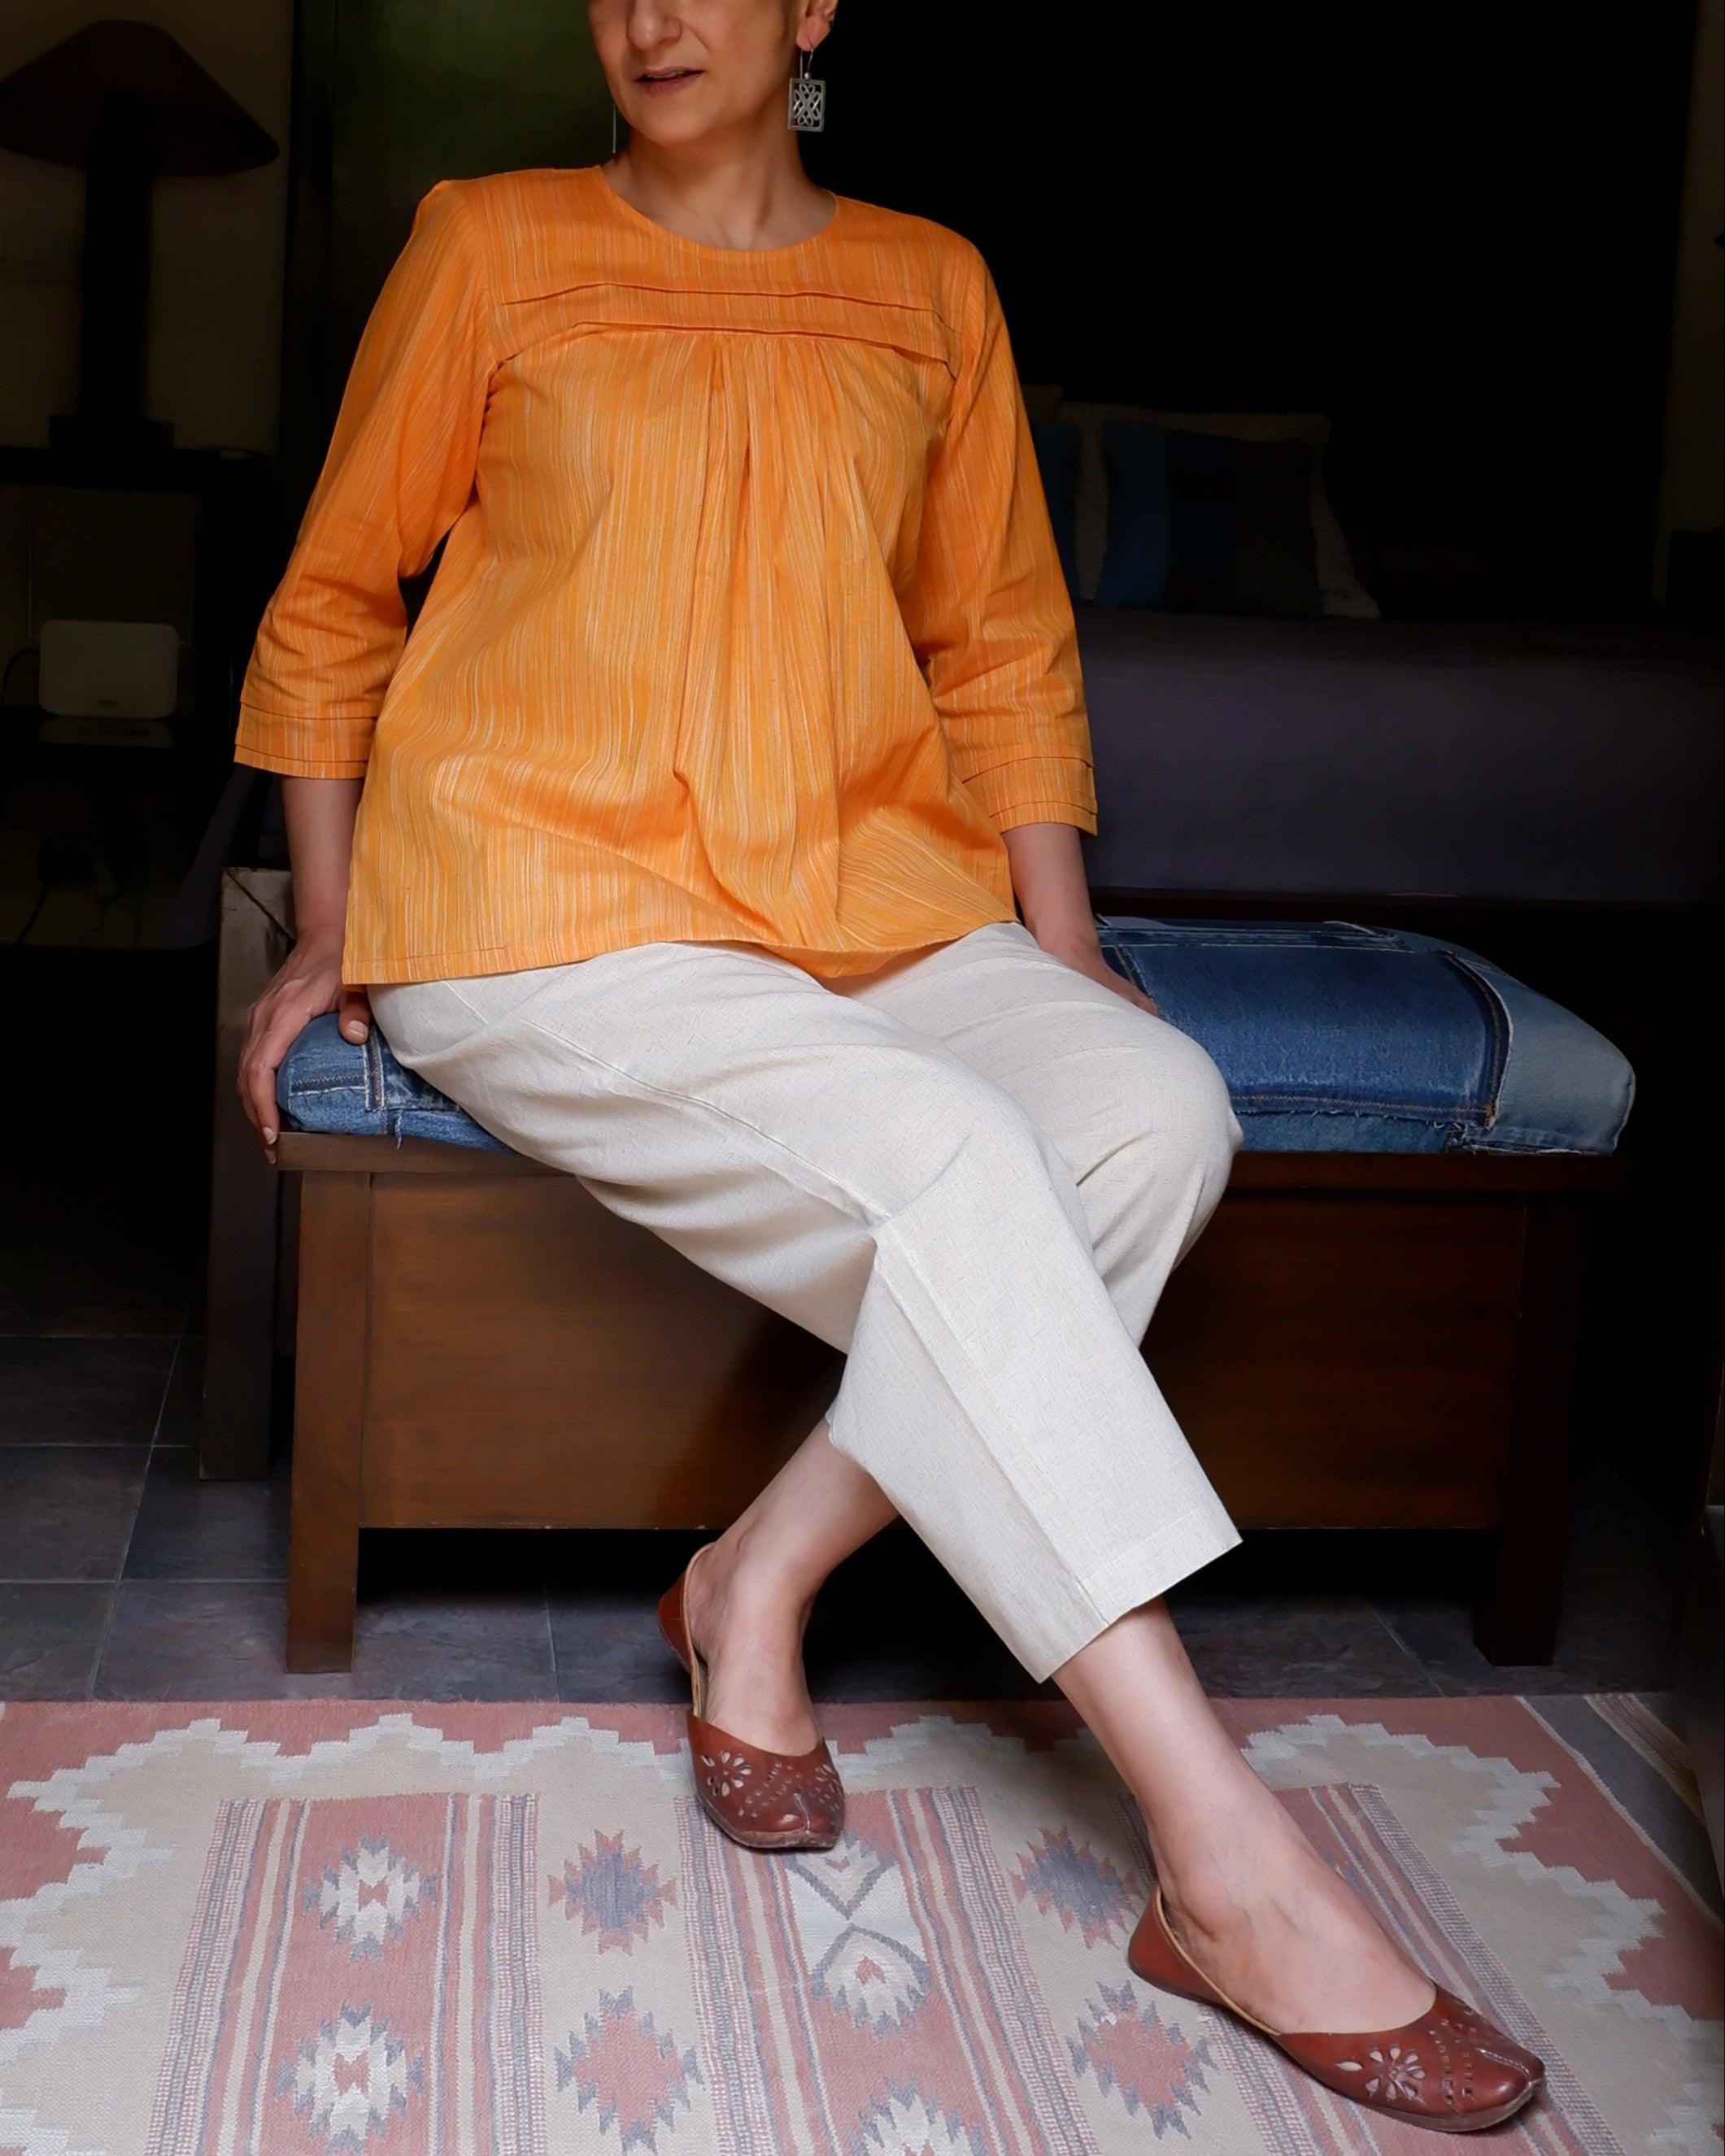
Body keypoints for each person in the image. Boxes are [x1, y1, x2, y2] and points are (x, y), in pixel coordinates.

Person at [233, 0, 1543, 2131]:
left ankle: (756, 1575)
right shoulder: (490, 240)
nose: (653, 18)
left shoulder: (929, 286)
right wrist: (328, 915)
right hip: (543, 902)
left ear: (813, 7)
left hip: (866, 893)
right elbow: (330, 600)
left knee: (1152, 1112)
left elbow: (998, 635)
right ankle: (1226, 1859)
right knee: (949, 1155)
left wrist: (1062, 958)